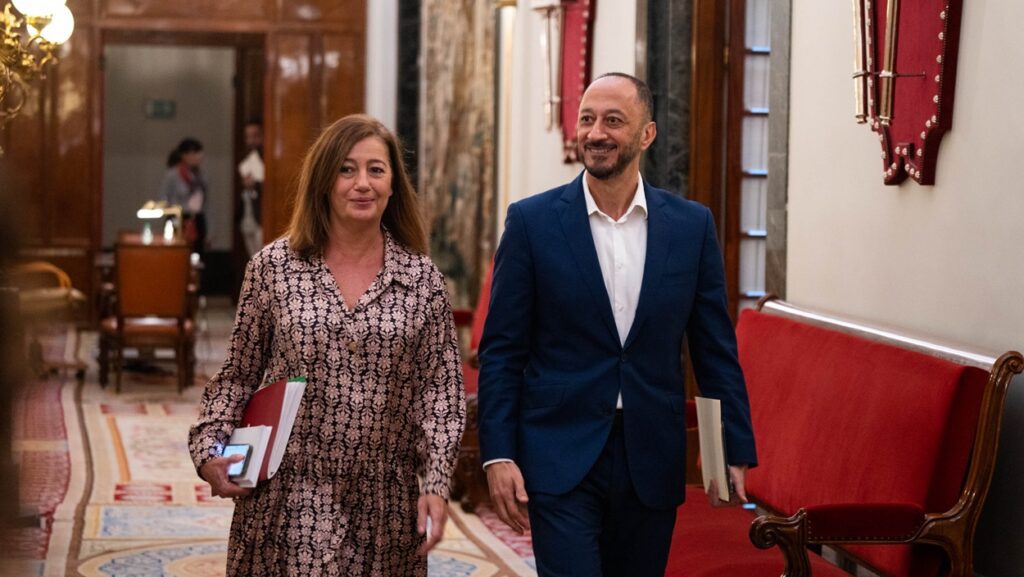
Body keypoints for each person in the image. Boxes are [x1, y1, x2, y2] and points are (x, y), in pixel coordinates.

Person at [477, 72, 758, 577]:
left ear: (647, 134)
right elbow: (502, 350)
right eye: (587, 119)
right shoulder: (532, 223)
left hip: (650, 454)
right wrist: (497, 453)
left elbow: (714, 348)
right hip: (558, 451)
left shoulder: (691, 227)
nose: (596, 132)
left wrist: (732, 447)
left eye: (613, 120)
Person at [188, 114, 466, 576]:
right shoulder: (274, 268)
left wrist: (435, 483)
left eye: (376, 170)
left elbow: (441, 394)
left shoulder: (422, 281)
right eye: (346, 169)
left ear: (393, 184)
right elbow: (237, 375)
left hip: (385, 505)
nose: (362, 184)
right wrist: (210, 449)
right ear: (323, 181)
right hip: (288, 494)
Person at [161, 137, 208, 256]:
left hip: (197, 218)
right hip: (178, 218)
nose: (198, 157)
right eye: (195, 153)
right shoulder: (172, 175)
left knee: (197, 254)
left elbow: (206, 201)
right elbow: (164, 198)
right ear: (184, 155)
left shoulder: (201, 176)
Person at [238, 119, 264, 257]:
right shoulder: (246, 161)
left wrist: (256, 184)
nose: (251, 141)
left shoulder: (269, 161)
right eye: (248, 137)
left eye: (255, 136)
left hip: (263, 218)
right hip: (248, 218)